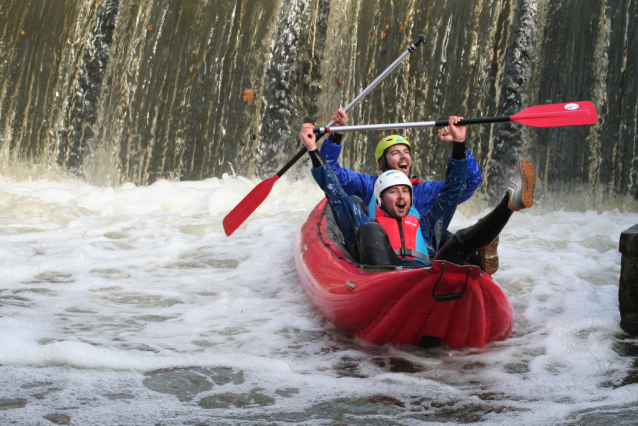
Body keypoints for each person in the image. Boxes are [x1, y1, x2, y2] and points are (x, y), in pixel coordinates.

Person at [299, 118, 536, 268]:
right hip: (383, 270)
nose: (402, 196)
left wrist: (459, 144)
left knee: (453, 239)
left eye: (406, 152)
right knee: (365, 222)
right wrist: (315, 148)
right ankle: (474, 256)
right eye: (395, 153)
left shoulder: (423, 197)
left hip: (425, 264)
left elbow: (455, 189)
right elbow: (334, 186)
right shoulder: (367, 191)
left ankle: (510, 203)